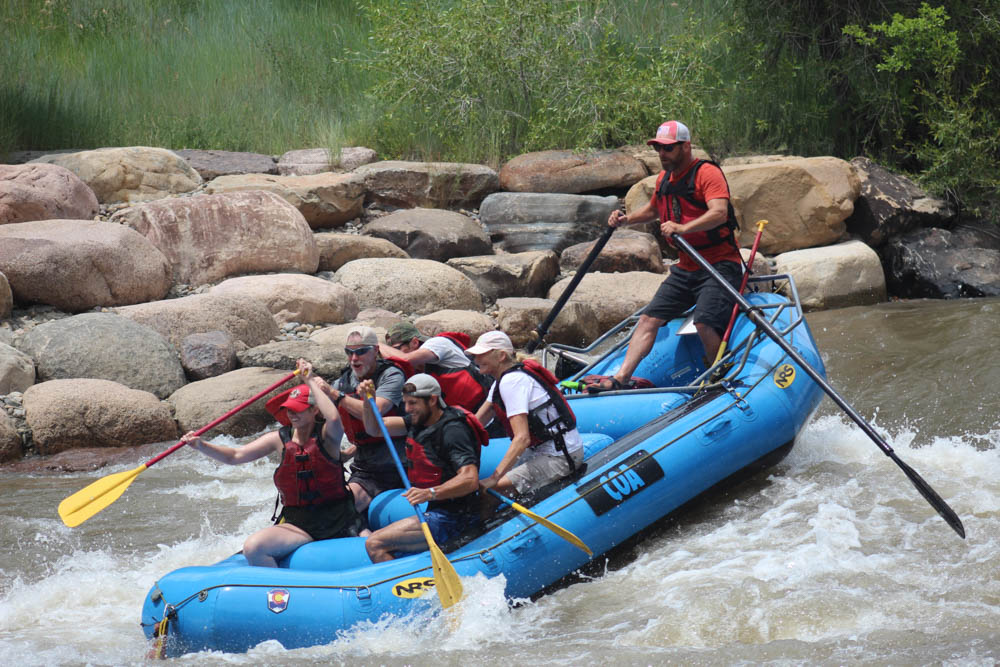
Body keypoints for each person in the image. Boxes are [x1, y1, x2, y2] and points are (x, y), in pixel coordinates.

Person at [588, 120, 744, 391]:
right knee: (649, 319)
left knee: (704, 322)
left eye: (668, 148)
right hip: (686, 268)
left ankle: (719, 374)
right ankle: (620, 378)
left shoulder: (707, 174)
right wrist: (626, 220)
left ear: (686, 146)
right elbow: (653, 211)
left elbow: (718, 212)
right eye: (659, 148)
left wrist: (683, 228)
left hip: (718, 264)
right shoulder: (664, 179)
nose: (662, 153)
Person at [181, 360, 358, 567]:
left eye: (299, 409)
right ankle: (284, 594)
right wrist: (201, 445)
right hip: (299, 523)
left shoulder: (328, 437)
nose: (292, 414)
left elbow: (335, 419)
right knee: (253, 547)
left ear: (314, 411)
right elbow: (235, 456)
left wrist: (309, 380)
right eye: (289, 409)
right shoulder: (279, 439)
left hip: (336, 520)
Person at [358, 374, 486, 562]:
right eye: (406, 403)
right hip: (439, 511)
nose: (408, 409)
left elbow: (470, 479)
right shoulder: (421, 421)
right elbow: (375, 429)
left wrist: (431, 493)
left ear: (432, 400)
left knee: (374, 543)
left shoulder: (452, 431)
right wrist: (368, 401)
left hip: (456, 517)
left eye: (413, 403)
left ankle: (407, 589)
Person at [469, 331, 584, 498]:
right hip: (541, 451)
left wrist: (495, 478)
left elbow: (522, 438)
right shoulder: (501, 381)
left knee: (491, 491)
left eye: (481, 355)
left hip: (560, 456)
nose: (476, 360)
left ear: (501, 356)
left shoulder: (512, 381)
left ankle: (488, 523)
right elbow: (477, 422)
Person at [324, 326, 408, 519]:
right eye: (349, 352)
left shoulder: (392, 375)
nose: (354, 358)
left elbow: (374, 413)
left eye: (361, 352)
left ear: (376, 351)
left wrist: (335, 395)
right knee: (337, 505)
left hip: (399, 461)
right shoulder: (343, 382)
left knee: (346, 508)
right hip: (365, 465)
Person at [379, 321, 493, 415]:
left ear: (414, 342)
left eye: (396, 349)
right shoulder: (415, 371)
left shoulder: (438, 343)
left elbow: (405, 359)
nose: (392, 354)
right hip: (460, 418)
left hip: (488, 411)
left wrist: (376, 344)